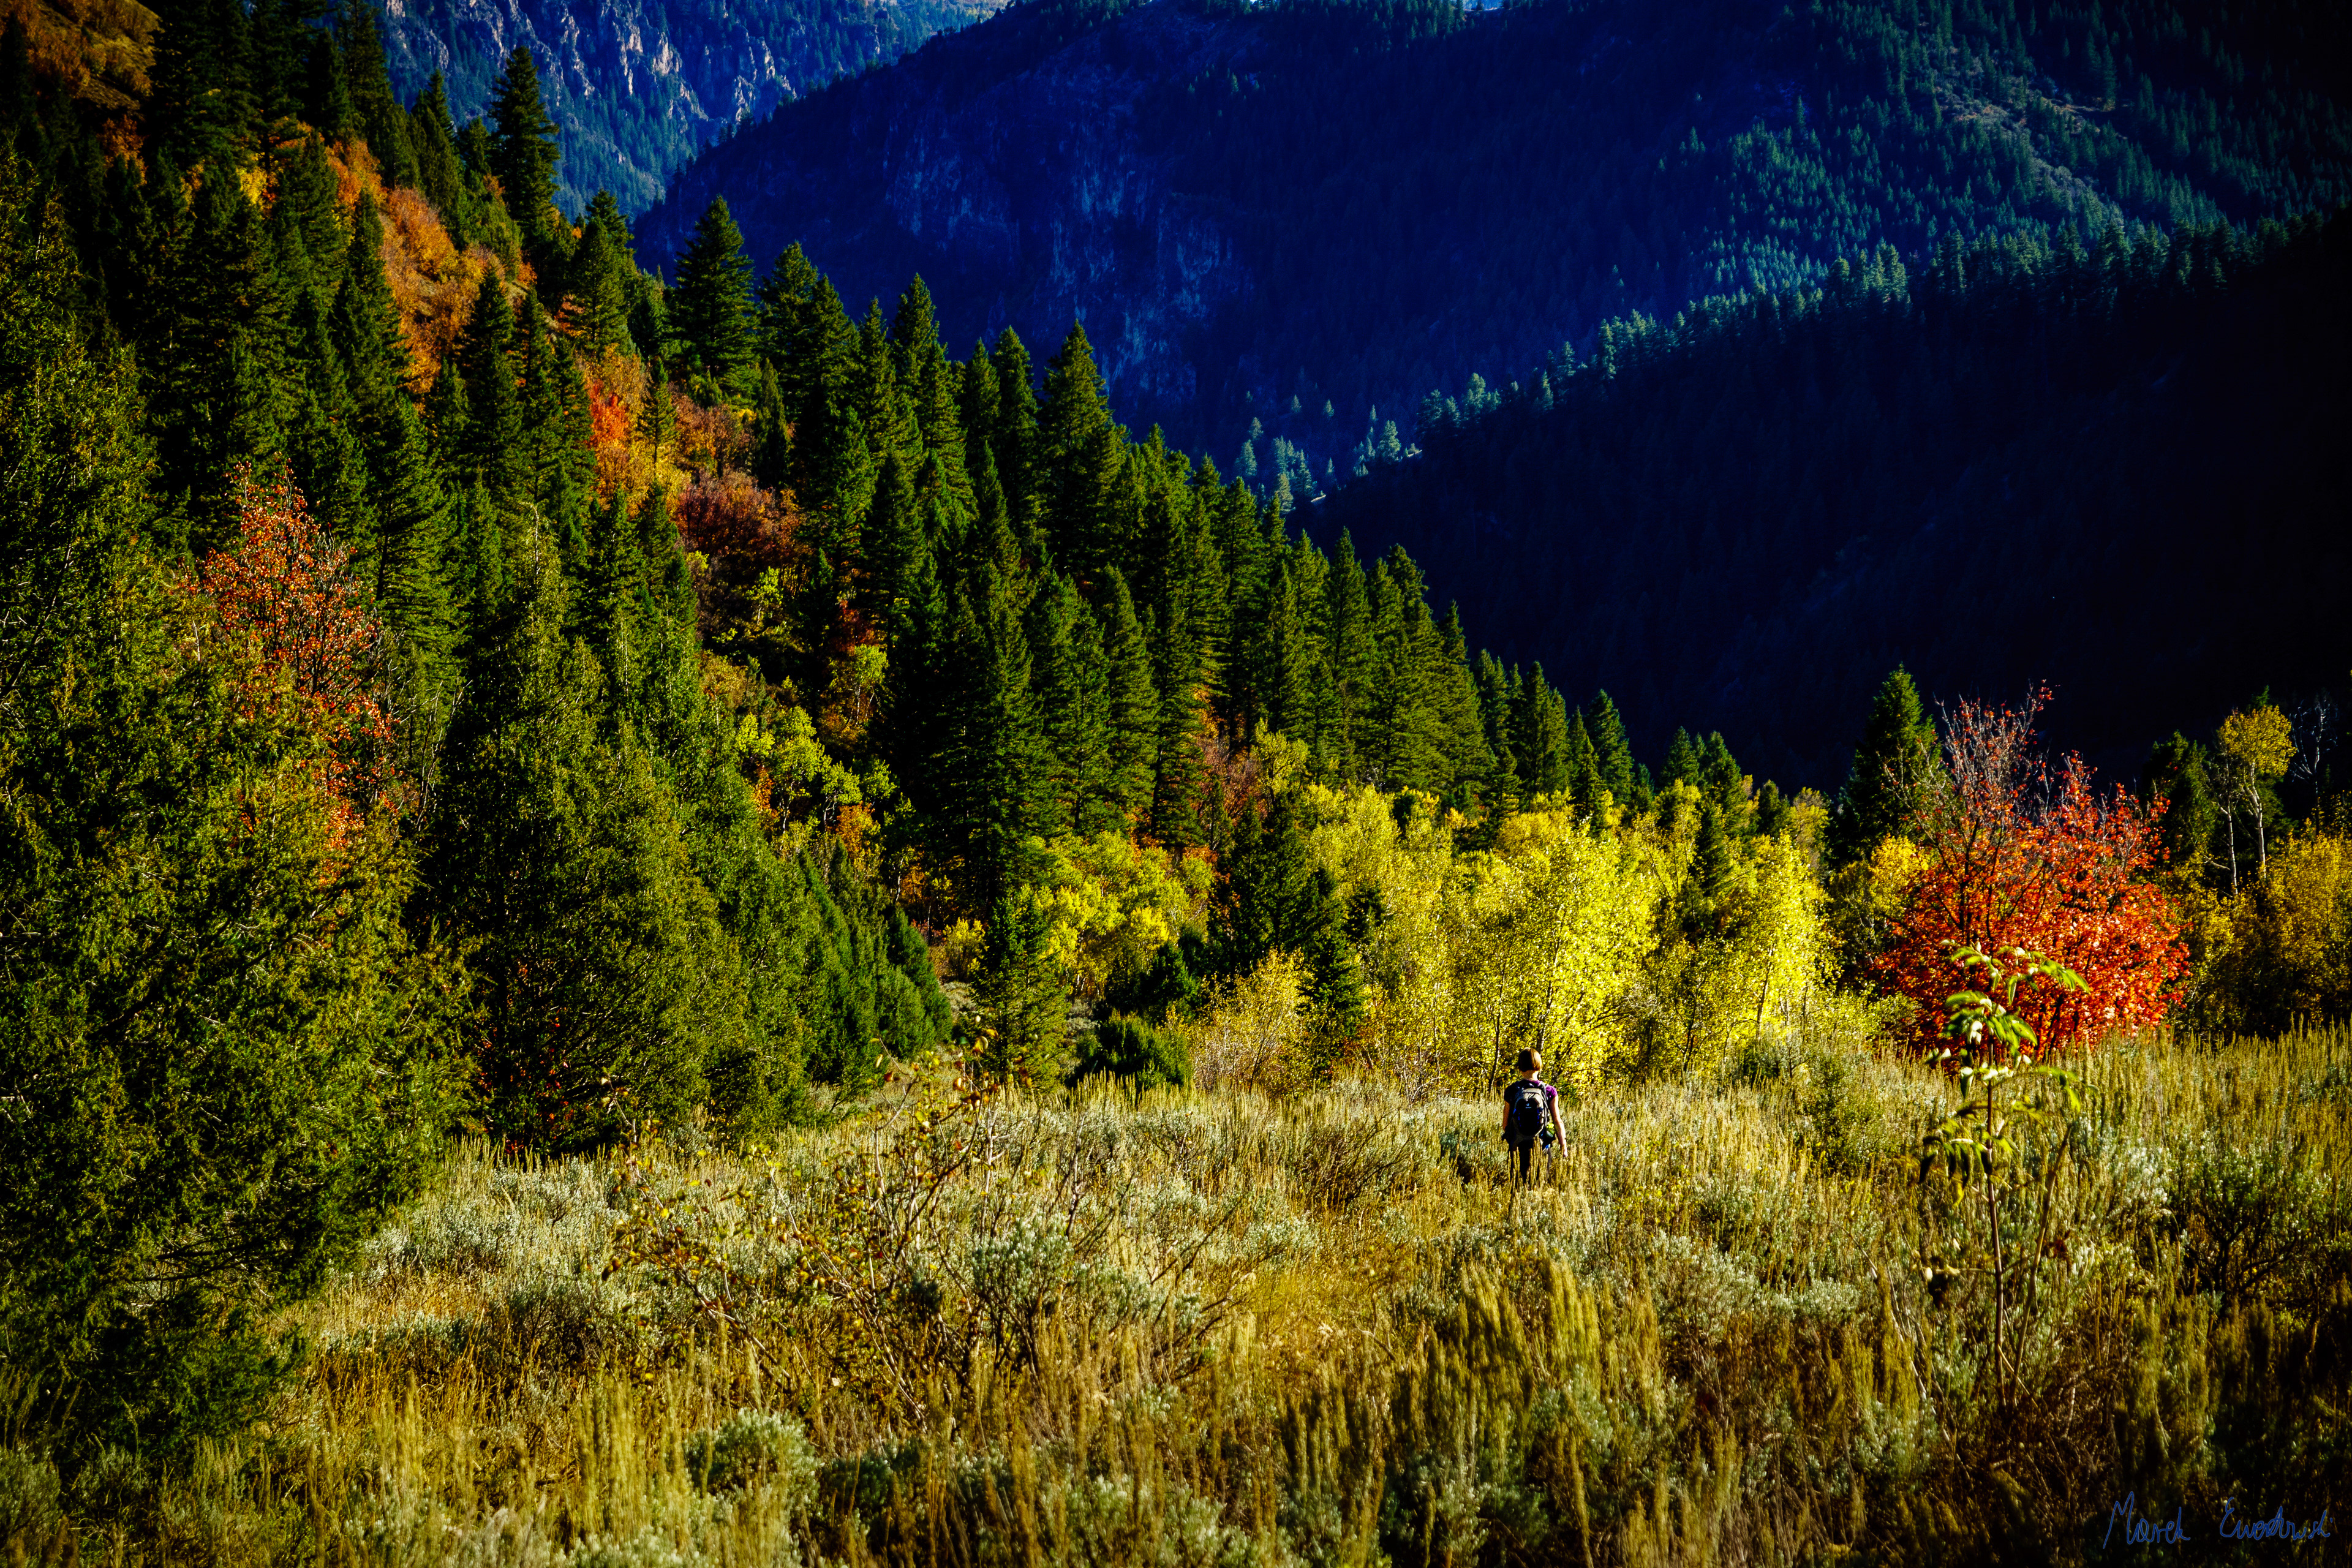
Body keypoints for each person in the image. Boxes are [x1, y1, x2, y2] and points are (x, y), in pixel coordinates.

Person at [1500, 1046, 1567, 1184]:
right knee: (1540, 1187)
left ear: (1520, 1067)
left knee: (1517, 1188)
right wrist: (1563, 1147)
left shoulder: (1512, 1090)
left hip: (1517, 1147)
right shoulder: (1550, 1091)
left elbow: (1505, 1124)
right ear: (1539, 1066)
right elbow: (1557, 1121)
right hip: (1542, 1147)